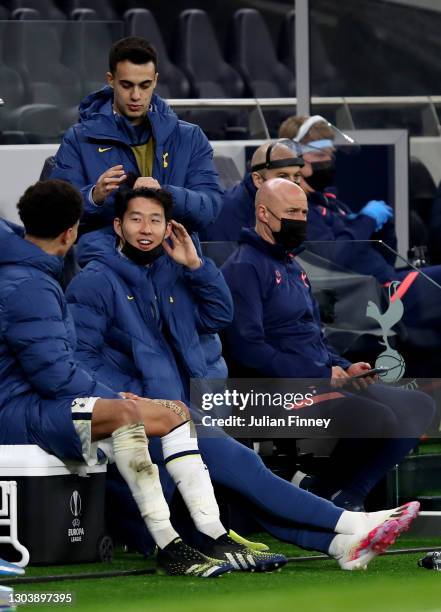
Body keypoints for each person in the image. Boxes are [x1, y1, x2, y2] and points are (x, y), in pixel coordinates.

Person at [65, 184, 420, 571]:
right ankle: (353, 522)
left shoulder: (173, 271)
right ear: (118, 226)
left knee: (241, 485)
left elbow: (218, 316)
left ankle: (341, 546)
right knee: (244, 470)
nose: (146, 229)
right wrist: (131, 402)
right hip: (144, 417)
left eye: (155, 220)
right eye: (136, 219)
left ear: (169, 226)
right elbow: (81, 359)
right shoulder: (95, 280)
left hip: (184, 409)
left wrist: (197, 267)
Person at [0, 179, 291, 578]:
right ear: (72, 231)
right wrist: (122, 399)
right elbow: (55, 376)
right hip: (21, 411)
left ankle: (213, 534)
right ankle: (169, 544)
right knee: (132, 415)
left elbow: (219, 315)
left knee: (172, 415)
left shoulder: (32, 274)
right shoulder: (31, 283)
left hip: (39, 403)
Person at [221, 178, 435, 510]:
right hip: (272, 390)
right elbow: (248, 348)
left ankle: (348, 497)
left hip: (318, 377)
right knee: (375, 418)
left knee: (420, 406)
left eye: (304, 213)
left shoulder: (292, 264)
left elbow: (313, 336)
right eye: (291, 211)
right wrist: (320, 372)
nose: (301, 220)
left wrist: (345, 365)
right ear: (263, 213)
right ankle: (319, 496)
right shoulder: (244, 268)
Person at [278, 115, 441, 352]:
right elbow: (332, 258)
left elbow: (384, 257)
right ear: (294, 157)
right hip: (368, 299)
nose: (329, 161)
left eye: (331, 155)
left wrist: (383, 226)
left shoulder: (332, 204)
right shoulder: (300, 209)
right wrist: (365, 221)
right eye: (320, 155)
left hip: (386, 283)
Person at [50, 37, 222, 235]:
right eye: (126, 85)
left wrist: (164, 195)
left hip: (175, 258)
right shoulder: (79, 139)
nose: (136, 96)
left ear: (155, 81)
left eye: (145, 85)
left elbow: (210, 207)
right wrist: (94, 196)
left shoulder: (190, 137)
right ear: (110, 80)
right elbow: (56, 212)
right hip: (105, 259)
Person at [201, 140, 303, 241]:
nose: (292, 183)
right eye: (282, 176)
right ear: (258, 180)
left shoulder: (299, 206)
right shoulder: (226, 213)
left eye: (296, 176)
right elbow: (225, 256)